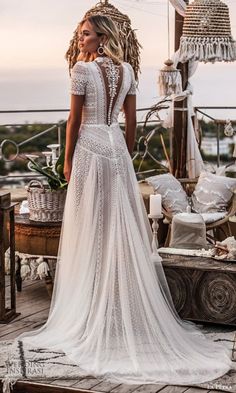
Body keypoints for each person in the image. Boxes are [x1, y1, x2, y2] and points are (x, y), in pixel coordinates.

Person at [3, 14, 233, 388]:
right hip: (116, 153)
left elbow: (74, 121)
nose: (81, 40)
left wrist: (67, 159)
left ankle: (92, 308)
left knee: (88, 226)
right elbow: (130, 123)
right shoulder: (127, 70)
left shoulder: (82, 70)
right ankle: (114, 305)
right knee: (117, 225)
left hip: (91, 150)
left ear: (102, 37)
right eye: (80, 34)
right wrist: (123, 156)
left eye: (87, 34)